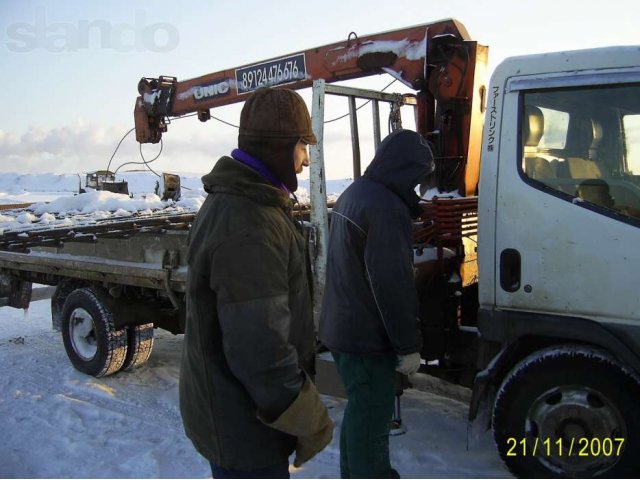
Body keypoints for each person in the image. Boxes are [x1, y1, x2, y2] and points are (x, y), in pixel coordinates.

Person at [180, 86, 333, 479]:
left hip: (241, 418)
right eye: (302, 146)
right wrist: (308, 417)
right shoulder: (249, 224)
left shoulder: (244, 203)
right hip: (247, 429)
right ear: (281, 148)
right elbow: (260, 351)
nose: (304, 161)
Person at [319, 129, 435, 479]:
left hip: (345, 328)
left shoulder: (357, 192)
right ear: (404, 169)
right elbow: (392, 285)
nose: (417, 185)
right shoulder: (384, 208)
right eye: (416, 175)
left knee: (361, 413)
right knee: (371, 418)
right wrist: (407, 346)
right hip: (367, 338)